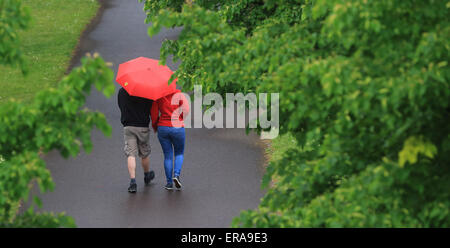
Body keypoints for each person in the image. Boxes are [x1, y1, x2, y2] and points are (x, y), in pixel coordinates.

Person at [118, 87, 155, 193]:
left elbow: (121, 106)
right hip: (142, 126)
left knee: (131, 154)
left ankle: (133, 182)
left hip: (128, 126)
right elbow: (150, 107)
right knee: (144, 153)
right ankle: (147, 175)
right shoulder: (146, 92)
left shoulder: (122, 91)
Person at [151, 89, 189, 190]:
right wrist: (179, 118)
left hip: (163, 127)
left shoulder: (158, 95)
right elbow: (186, 109)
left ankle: (168, 183)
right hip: (177, 127)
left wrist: (155, 126)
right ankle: (176, 175)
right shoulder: (178, 93)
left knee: (167, 156)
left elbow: (154, 114)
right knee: (179, 153)